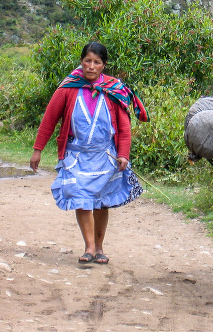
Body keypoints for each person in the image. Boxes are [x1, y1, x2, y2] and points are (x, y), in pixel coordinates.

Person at [30, 41, 149, 265]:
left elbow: (124, 127)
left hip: (105, 156)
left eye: (96, 62)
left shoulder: (114, 91)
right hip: (76, 156)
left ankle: (100, 247)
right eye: (87, 61)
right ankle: (89, 247)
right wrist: (38, 151)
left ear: (104, 65)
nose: (91, 66)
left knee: (102, 202)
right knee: (82, 199)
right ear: (81, 62)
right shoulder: (68, 88)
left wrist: (123, 154)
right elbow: (49, 119)